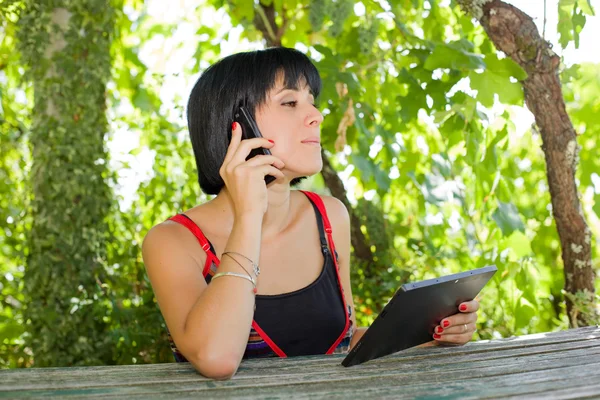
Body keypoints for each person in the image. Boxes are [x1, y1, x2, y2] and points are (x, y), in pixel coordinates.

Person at [142, 47, 480, 380]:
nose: (316, 115)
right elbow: (216, 358)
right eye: (290, 102)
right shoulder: (173, 241)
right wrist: (249, 216)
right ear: (238, 126)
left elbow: (340, 347)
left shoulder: (330, 217)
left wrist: (429, 333)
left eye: (312, 101)